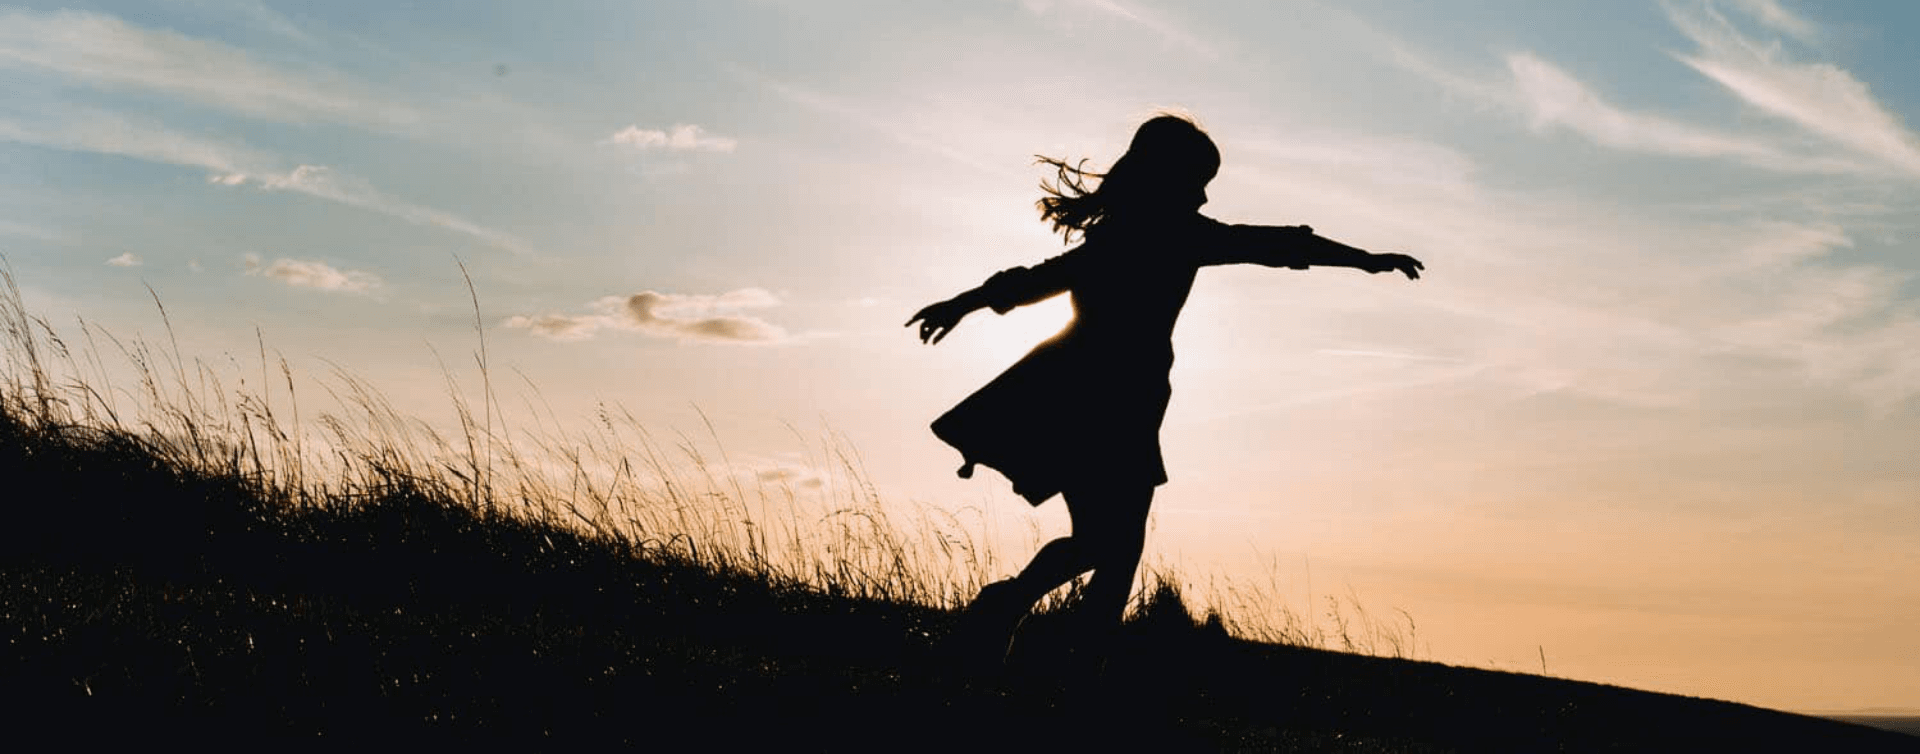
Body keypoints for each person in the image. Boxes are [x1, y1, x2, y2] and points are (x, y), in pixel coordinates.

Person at [907, 114, 1423, 653]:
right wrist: (1364, 261)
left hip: (1119, 398)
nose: (1203, 197)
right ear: (1167, 178)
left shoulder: (1160, 234)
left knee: (1102, 545)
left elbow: (1275, 244)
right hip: (1093, 400)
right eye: (1198, 181)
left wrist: (1364, 260)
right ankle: (1058, 654)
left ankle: (1013, 612)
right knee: (1116, 547)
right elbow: (1040, 280)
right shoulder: (1163, 236)